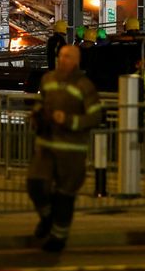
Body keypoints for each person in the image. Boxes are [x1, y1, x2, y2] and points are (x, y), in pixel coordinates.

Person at [26, 45, 104, 252]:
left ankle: (58, 238)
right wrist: (36, 116)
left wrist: (69, 120)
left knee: (64, 196)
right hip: (46, 146)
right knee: (35, 185)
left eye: (67, 57)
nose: (62, 60)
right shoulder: (48, 79)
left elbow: (96, 116)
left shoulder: (84, 86)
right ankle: (47, 218)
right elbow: (40, 103)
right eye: (60, 56)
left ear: (76, 61)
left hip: (72, 150)